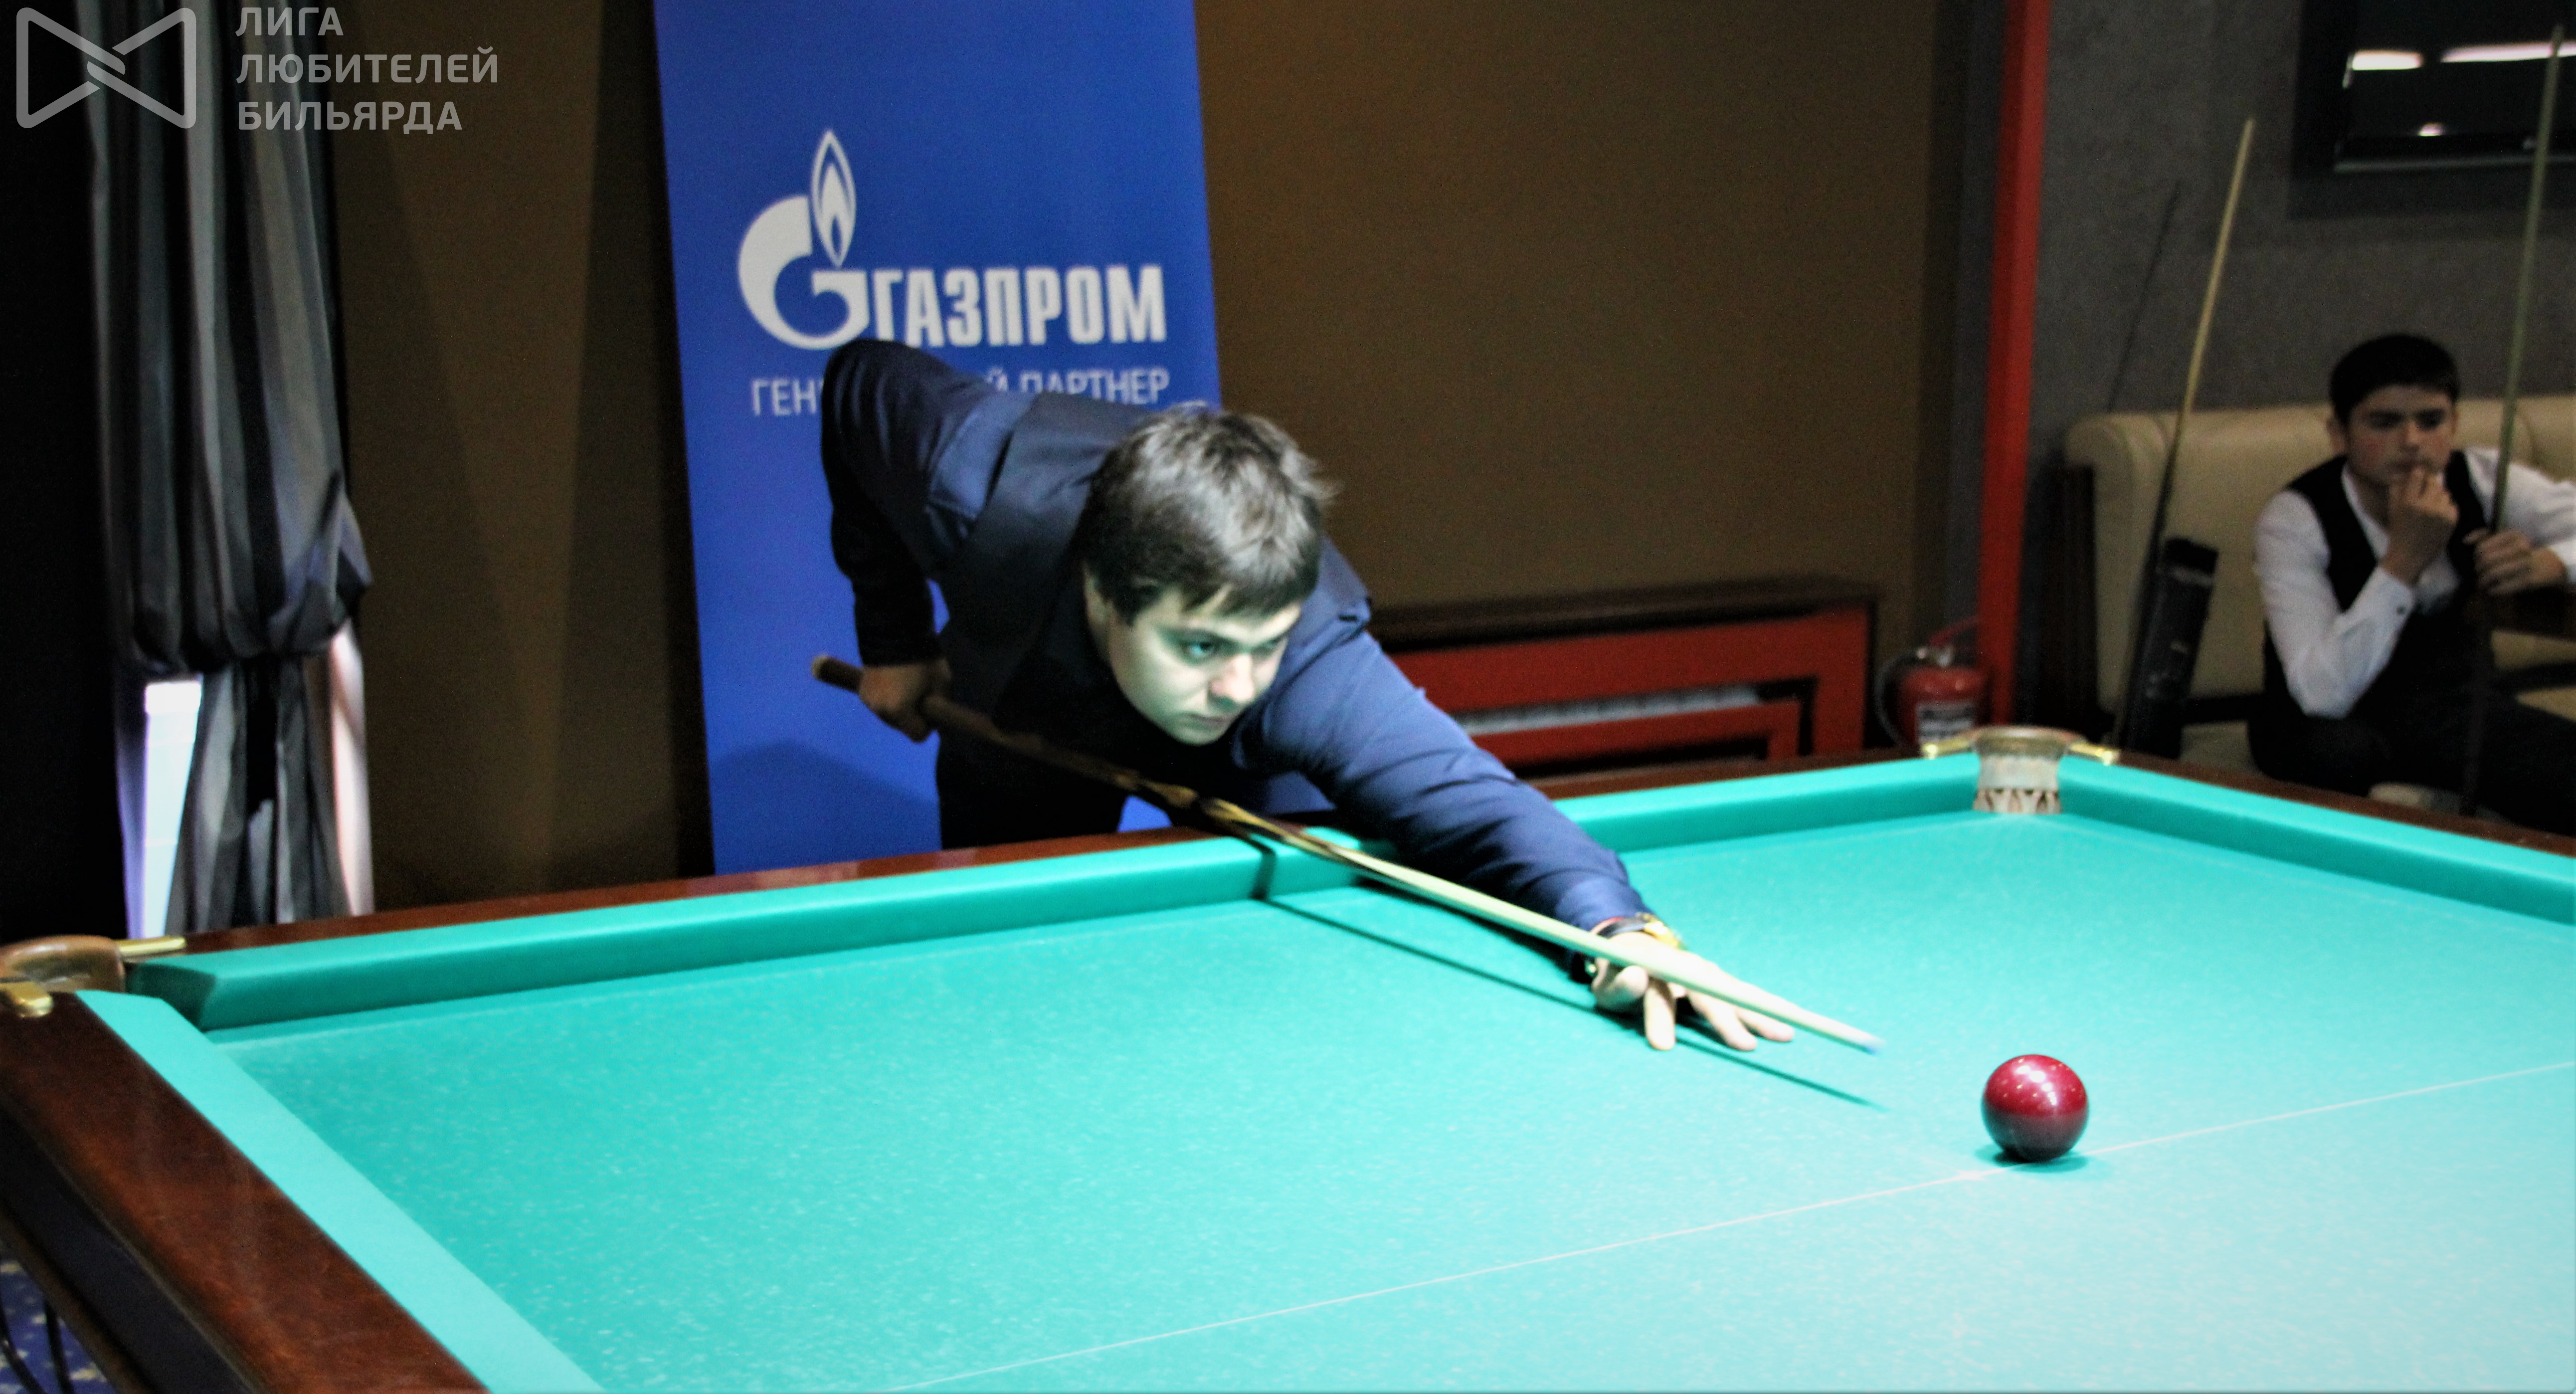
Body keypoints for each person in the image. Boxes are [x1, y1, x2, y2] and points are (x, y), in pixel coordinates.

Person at [821, 338, 1792, 1051]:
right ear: (1105, 593)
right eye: (1202, 645)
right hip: (1017, 710)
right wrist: (894, 642)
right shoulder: (968, 474)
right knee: (1008, 984)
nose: (1237, 684)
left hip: (1234, 774)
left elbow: (1478, 808)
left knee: (1270, 959)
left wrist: (1623, 931)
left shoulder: (1302, 678)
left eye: (1264, 641)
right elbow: (856, 380)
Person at [2249, 333, 2576, 832]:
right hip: (2329, 723)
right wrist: (2402, 562)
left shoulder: (2481, 478)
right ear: (2339, 434)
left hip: (2455, 709)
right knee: (2337, 755)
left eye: (2431, 420)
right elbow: (2323, 693)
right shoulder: (2296, 518)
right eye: (2384, 423)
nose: (2412, 441)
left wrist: (2551, 563)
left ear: (2455, 424)